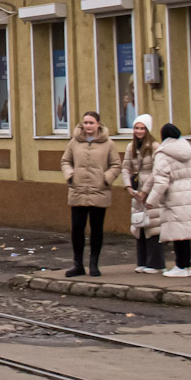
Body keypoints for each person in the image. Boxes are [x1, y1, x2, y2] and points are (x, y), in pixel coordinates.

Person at [60, 110, 120, 277]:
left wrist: (106, 178)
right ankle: (78, 264)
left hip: (98, 191)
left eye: (91, 123)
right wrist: (70, 175)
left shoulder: (109, 144)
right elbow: (65, 161)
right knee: (77, 229)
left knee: (96, 229)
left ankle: (94, 264)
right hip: (78, 191)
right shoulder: (74, 142)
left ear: (98, 124)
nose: (88, 126)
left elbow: (116, 165)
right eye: (85, 122)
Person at [147, 123, 191, 277]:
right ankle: (187, 266)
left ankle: (180, 266)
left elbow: (161, 181)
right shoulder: (186, 149)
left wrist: (151, 200)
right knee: (185, 232)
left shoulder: (163, 153)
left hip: (175, 193)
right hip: (190, 189)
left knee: (178, 232)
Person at [120, 114, 164, 273]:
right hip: (136, 189)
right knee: (139, 225)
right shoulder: (130, 147)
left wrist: (145, 191)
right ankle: (142, 261)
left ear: (147, 130)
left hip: (150, 190)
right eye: (136, 128)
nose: (139, 131)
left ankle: (156, 263)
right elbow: (125, 168)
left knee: (153, 226)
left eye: (142, 128)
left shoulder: (155, 146)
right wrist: (128, 186)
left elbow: (156, 171)